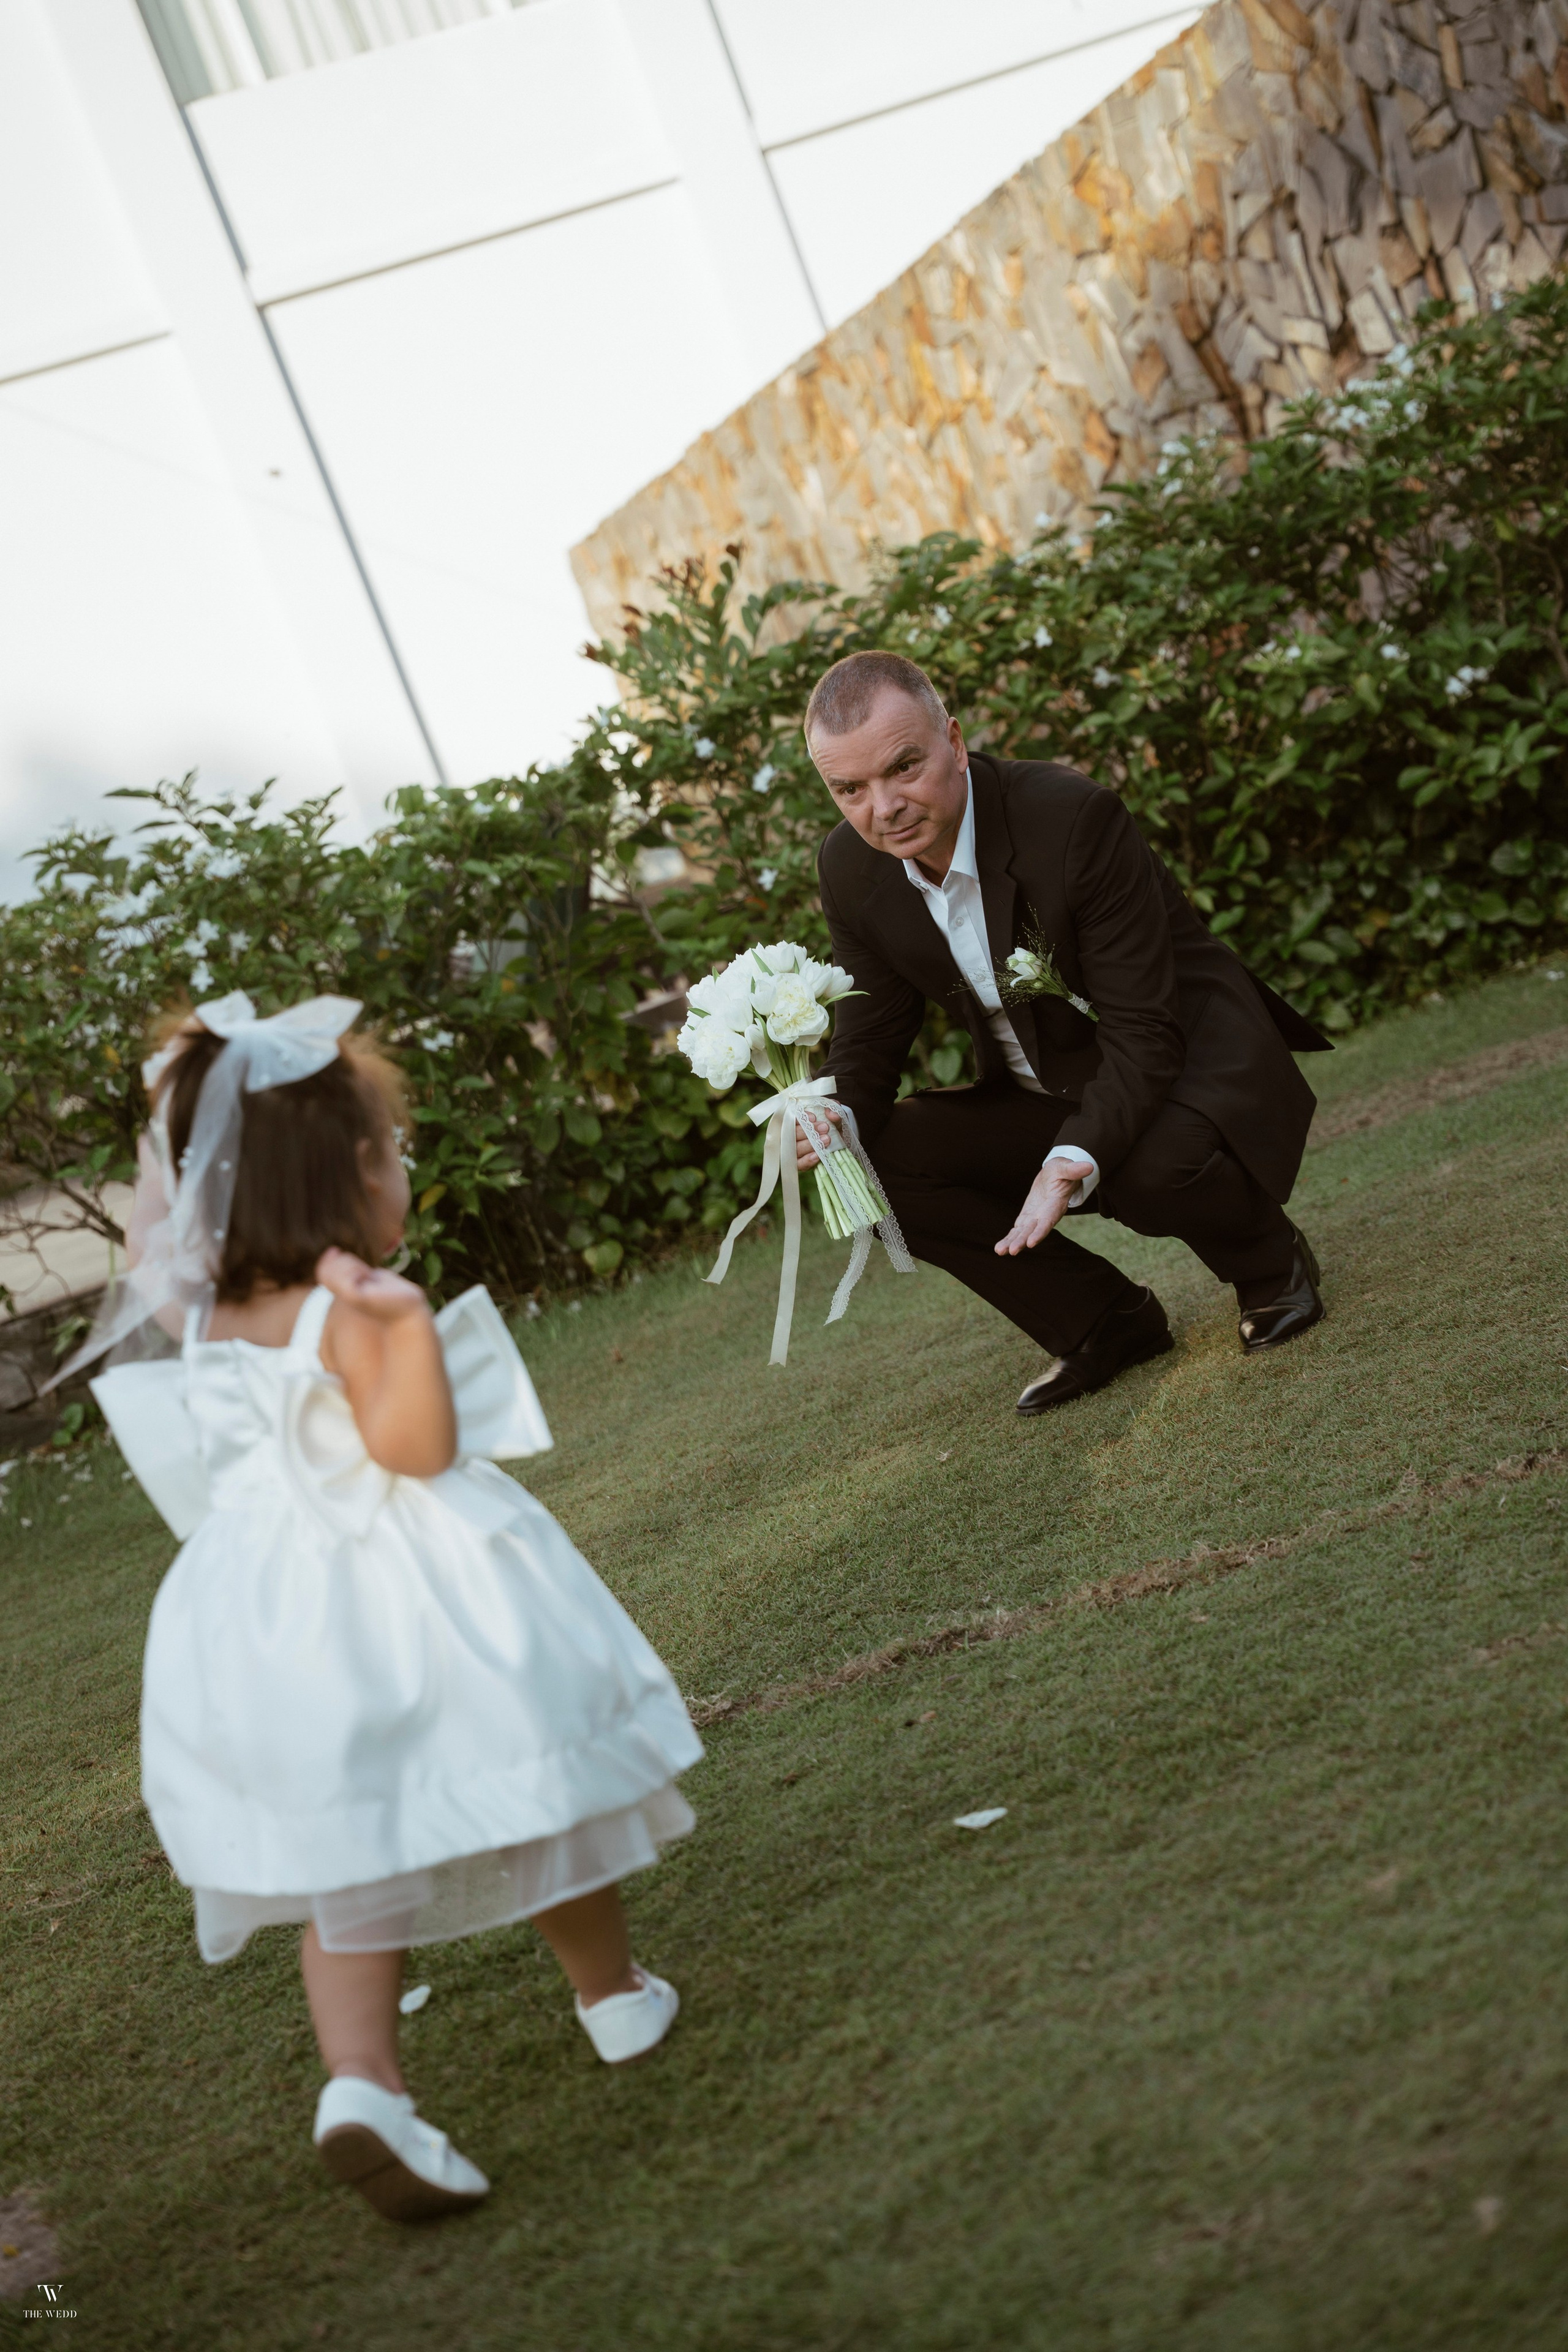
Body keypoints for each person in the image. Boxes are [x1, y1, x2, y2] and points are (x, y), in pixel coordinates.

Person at [81, 992, 701, 2222]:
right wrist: (407, 1332)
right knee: (534, 1783)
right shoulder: (351, 1310)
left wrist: (182, 1099)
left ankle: (362, 2085)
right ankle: (613, 1997)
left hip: (261, 1618)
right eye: (395, 1154)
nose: (402, 1171)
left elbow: (160, 1237)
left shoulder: (196, 1310)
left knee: (347, 1857)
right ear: (353, 1174)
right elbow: (412, 1455)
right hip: (412, 1581)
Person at [798, 652, 1331, 1414]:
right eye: (849, 789)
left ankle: (1269, 1263)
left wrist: (1074, 1156)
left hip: (1177, 1061)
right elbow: (873, 1032)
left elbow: (1147, 1029)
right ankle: (1105, 1323)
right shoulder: (850, 867)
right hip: (1040, 1085)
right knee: (869, 1162)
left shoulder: (1070, 817)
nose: (883, 808)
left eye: (904, 766)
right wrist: (832, 1116)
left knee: (1148, 1167)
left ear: (952, 739)